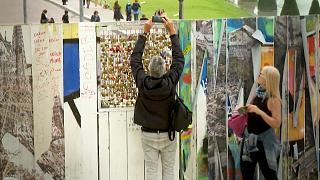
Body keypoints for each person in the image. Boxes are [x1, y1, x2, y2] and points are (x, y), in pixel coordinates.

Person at [130, 11, 184, 180]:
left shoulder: (143, 82)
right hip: (168, 134)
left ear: (149, 70)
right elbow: (179, 61)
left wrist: (145, 33)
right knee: (169, 172)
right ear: (164, 70)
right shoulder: (169, 82)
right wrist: (172, 32)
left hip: (148, 134)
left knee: (151, 172)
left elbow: (135, 60)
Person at [240, 66, 281, 180]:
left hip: (265, 143)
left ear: (269, 79)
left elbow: (276, 123)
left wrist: (259, 112)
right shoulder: (258, 93)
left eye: (261, 74)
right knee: (246, 174)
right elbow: (254, 112)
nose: (259, 75)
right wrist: (243, 110)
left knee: (270, 175)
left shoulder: (274, 100)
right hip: (249, 141)